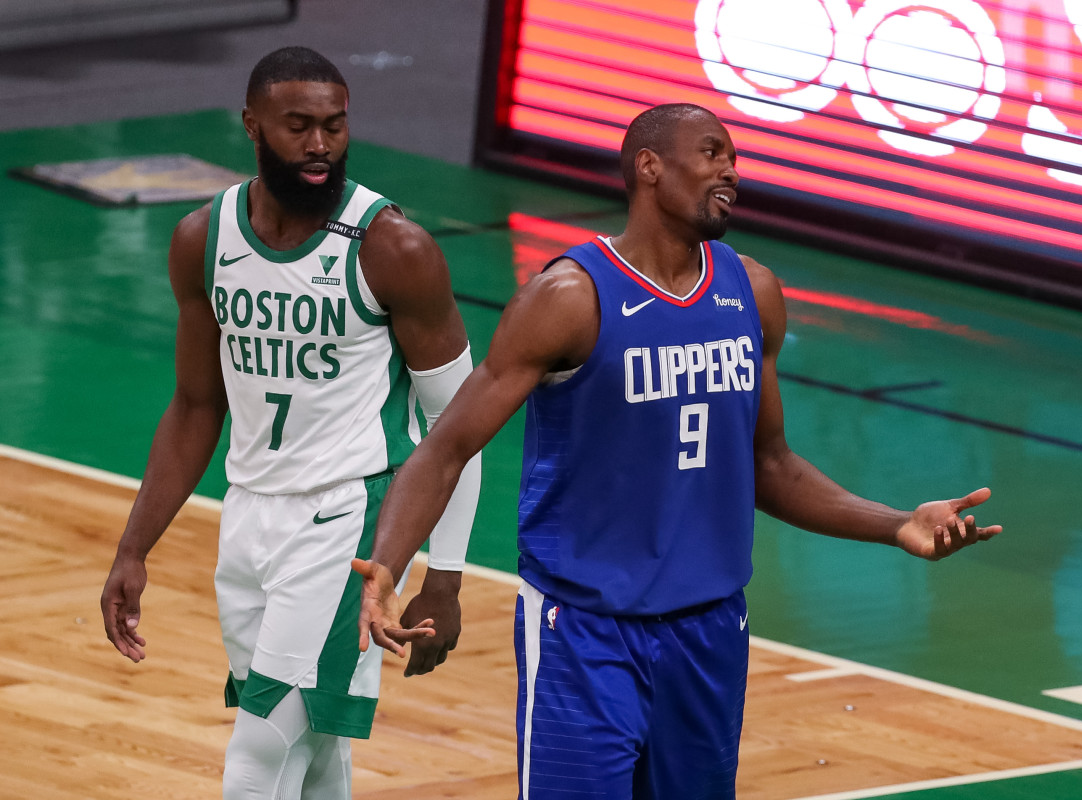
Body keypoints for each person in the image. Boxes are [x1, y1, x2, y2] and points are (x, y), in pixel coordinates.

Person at [353, 103, 1001, 799]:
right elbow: (446, 448)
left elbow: (770, 465)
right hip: (585, 633)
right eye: (713, 153)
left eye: (735, 159)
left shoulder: (752, 292)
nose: (731, 171)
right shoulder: (569, 297)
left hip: (710, 632)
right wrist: (388, 566)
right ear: (650, 167)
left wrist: (896, 523)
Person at [99, 46, 481, 798]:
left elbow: (457, 428)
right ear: (252, 125)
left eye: (334, 126)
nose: (319, 145)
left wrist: (445, 577)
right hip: (248, 516)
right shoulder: (203, 239)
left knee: (259, 753)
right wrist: (133, 547)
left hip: (349, 523)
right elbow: (196, 406)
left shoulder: (392, 248)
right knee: (313, 753)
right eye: (298, 126)